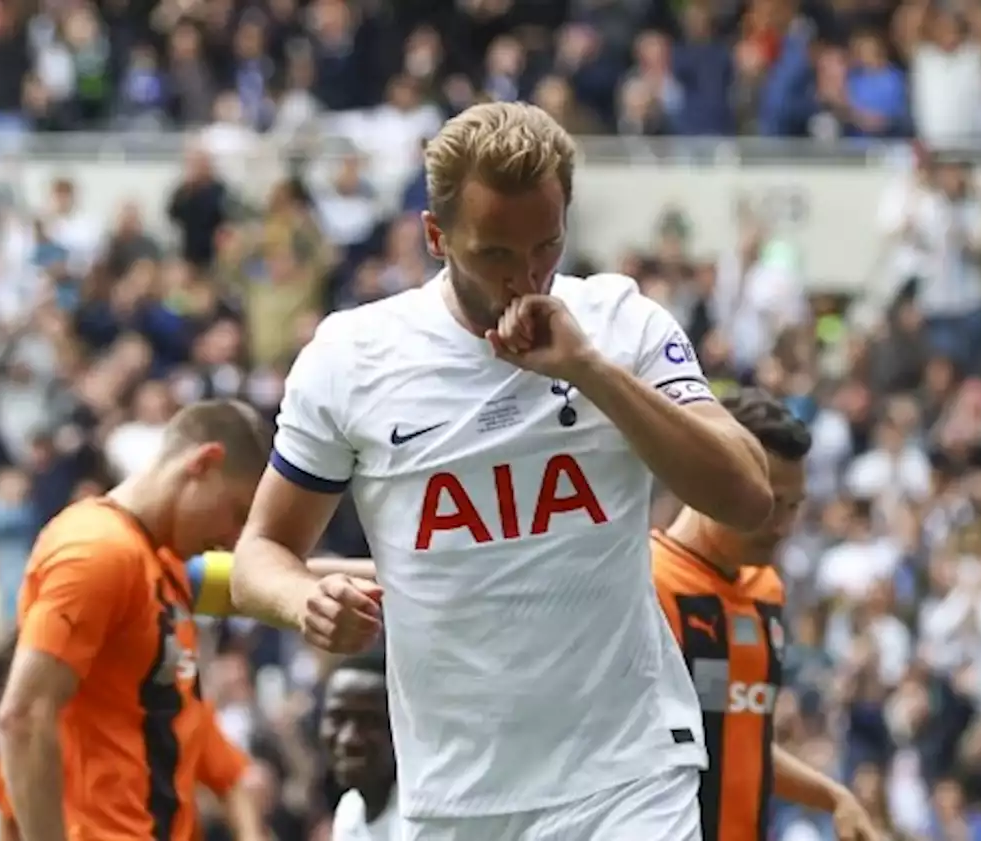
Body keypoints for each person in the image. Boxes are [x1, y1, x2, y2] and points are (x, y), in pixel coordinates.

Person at [230, 100, 773, 841]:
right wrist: (302, 600)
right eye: (494, 254)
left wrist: (589, 369)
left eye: (546, 244)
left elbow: (746, 494)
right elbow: (260, 551)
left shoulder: (620, 322)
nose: (527, 276)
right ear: (435, 236)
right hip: (453, 795)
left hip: (627, 776)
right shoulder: (352, 357)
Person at [0, 399, 272, 841]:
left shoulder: (164, 562)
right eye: (236, 513)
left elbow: (270, 580)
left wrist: (399, 578)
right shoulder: (98, 550)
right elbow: (24, 716)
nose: (231, 539)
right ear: (205, 463)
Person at [652, 389, 882, 841]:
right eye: (770, 503)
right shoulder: (650, 586)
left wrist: (835, 797)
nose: (782, 527)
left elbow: (744, 738)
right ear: (711, 478)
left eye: (795, 506)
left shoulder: (766, 589)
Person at [321, 648, 399, 841]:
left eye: (370, 721)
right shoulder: (350, 812)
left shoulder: (425, 815)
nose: (349, 739)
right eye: (337, 718)